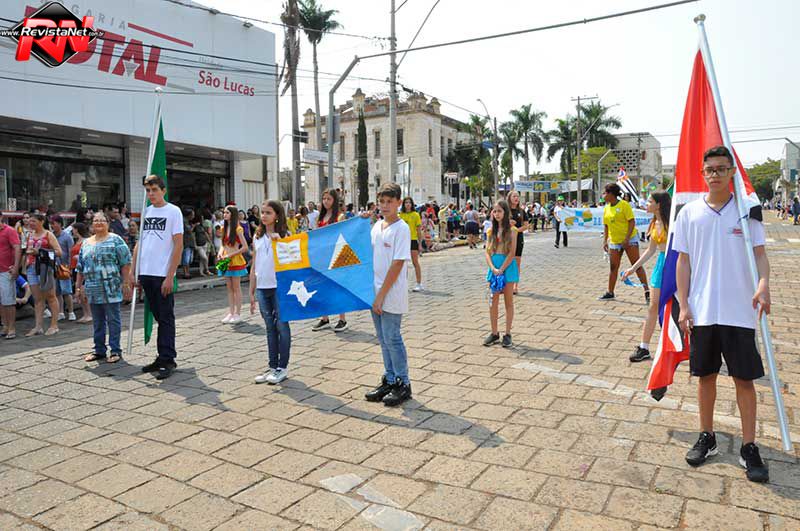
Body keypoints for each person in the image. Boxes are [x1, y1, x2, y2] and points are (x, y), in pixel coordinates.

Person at [675, 146, 770, 483]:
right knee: (706, 376)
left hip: (740, 310)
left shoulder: (747, 212)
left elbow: (760, 256)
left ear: (732, 172)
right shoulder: (689, 213)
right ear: (702, 174)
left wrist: (763, 285)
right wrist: (684, 304)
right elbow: (683, 262)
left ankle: (749, 446)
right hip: (702, 310)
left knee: (744, 379)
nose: (714, 174)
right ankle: (707, 436)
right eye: (709, 169)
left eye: (720, 168)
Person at [129, 174, 183, 380]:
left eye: (154, 190)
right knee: (159, 317)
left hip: (162, 273)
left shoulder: (173, 211)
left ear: (163, 190)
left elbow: (178, 244)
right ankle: (162, 356)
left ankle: (168, 359)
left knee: (166, 317)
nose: (151, 194)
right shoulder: (147, 212)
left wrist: (170, 276)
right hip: (146, 272)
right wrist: (133, 271)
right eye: (148, 190)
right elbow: (140, 243)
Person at [364, 182, 413, 406]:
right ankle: (390, 378)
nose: (385, 206)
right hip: (374, 291)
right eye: (381, 202)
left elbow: (397, 264)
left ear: (398, 203)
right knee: (382, 338)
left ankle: (403, 383)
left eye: (389, 202)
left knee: (392, 337)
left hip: (390, 293)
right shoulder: (376, 226)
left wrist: (382, 295)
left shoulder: (402, 229)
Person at [76, 212, 132, 364]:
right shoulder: (86, 243)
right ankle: (99, 350)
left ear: (108, 223)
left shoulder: (116, 240)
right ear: (91, 224)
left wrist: (126, 283)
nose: (99, 223)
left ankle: (115, 350)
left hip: (111, 287)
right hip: (93, 288)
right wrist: (78, 287)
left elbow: (125, 263)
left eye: (102, 220)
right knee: (98, 321)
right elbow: (80, 267)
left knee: (113, 319)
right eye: (96, 220)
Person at [621, 192, 671, 362]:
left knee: (680, 307)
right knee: (653, 306)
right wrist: (632, 268)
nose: (646, 204)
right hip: (661, 264)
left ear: (659, 205)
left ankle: (690, 347)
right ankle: (644, 348)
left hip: (676, 264)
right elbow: (650, 250)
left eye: (650, 201)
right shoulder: (654, 223)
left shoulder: (674, 222)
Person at [250, 200, 292, 385]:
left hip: (279, 287)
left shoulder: (285, 235)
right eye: (263, 212)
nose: (264, 216)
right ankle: (272, 366)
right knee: (269, 327)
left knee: (282, 325)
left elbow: (291, 261)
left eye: (268, 212)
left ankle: (282, 367)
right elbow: (255, 264)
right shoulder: (257, 236)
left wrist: (280, 243)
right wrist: (251, 290)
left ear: (277, 215)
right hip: (262, 286)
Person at [600, 183, 649, 301]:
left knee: (636, 265)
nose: (603, 195)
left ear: (611, 194)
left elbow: (631, 222)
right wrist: (605, 241)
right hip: (615, 241)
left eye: (605, 193)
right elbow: (606, 225)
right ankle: (610, 292)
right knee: (613, 267)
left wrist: (626, 239)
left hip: (629, 239)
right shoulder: (606, 208)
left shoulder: (624, 205)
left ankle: (647, 291)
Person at [311, 188, 349, 332]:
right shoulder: (319, 218)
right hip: (322, 257)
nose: (326, 201)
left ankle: (342, 319)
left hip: (336, 257)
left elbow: (343, 236)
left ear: (334, 200)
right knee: (322, 287)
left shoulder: (340, 217)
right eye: (324, 199)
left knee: (337, 288)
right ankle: (325, 318)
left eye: (329, 199)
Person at [483, 200, 518, 348]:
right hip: (494, 269)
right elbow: (487, 252)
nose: (497, 214)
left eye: (499, 211)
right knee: (493, 302)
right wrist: (493, 269)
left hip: (507, 268)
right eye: (494, 211)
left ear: (505, 212)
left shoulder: (513, 231)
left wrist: (502, 269)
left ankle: (507, 334)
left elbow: (512, 253)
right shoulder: (490, 230)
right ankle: (494, 333)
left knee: (508, 302)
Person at [23, 213, 62, 336]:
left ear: (41, 221)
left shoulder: (48, 234)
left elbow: (58, 252)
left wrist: (40, 252)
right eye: (30, 221)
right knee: (37, 298)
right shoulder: (29, 235)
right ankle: (38, 326)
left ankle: (54, 325)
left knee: (51, 296)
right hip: (31, 268)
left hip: (45, 268)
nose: (31, 223)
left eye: (33, 221)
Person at [218, 205, 249, 324]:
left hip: (235, 260)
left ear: (233, 214)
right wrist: (220, 253)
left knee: (236, 287)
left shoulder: (238, 229)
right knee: (229, 288)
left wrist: (230, 255)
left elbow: (245, 247)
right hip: (225, 260)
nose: (224, 214)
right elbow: (223, 245)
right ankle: (231, 312)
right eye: (224, 212)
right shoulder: (223, 228)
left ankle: (237, 313)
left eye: (227, 213)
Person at [50, 216, 76, 321]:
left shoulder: (67, 237)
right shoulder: (51, 236)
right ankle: (60, 312)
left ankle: (71, 311)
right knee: (57, 291)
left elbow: (71, 252)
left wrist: (70, 266)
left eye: (54, 223)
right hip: (54, 265)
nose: (52, 226)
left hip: (64, 266)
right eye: (51, 224)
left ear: (60, 224)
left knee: (66, 290)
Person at [0, 215, 21, 340]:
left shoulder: (9, 231)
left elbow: (17, 248)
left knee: (8, 301)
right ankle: (5, 326)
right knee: (1, 301)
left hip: (6, 270)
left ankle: (12, 327)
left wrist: (16, 267)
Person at [399, 197, 424, 292]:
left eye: (409, 202)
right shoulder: (400, 215)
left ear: (412, 204)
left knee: (415, 262)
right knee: (403, 264)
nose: (408, 204)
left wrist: (420, 244)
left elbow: (419, 231)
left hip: (413, 240)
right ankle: (403, 284)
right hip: (402, 241)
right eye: (406, 202)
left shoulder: (416, 215)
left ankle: (419, 283)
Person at [70, 222, 93, 324]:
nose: (72, 231)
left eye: (73, 229)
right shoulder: (77, 241)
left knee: (83, 291)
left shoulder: (86, 241)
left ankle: (89, 314)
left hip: (83, 268)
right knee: (79, 290)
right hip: (75, 268)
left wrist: (79, 257)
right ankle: (85, 313)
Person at [507, 191, 528, 295]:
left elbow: (526, 226)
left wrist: (516, 230)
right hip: (506, 239)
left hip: (518, 239)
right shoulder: (505, 210)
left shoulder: (522, 211)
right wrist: (508, 223)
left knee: (516, 263)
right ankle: (506, 285)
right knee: (506, 262)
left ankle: (515, 286)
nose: (516, 198)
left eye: (517, 196)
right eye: (514, 196)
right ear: (509, 198)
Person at [180, 209, 196, 279]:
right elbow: (188, 230)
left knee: (189, 259)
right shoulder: (184, 222)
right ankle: (186, 273)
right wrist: (193, 226)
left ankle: (187, 272)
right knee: (186, 258)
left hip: (189, 242)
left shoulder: (187, 222)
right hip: (186, 242)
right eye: (192, 215)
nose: (193, 216)